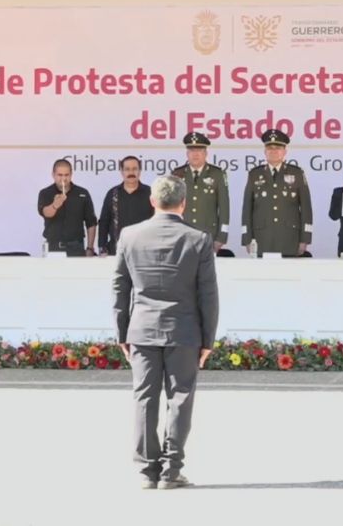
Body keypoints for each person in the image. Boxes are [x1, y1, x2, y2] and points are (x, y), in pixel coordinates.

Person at [113, 175, 218, 490]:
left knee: (145, 397)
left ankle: (148, 470)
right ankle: (171, 469)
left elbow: (120, 289)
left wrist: (122, 333)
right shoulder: (198, 239)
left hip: (142, 329)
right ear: (183, 203)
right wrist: (207, 340)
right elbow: (208, 296)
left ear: (152, 201)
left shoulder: (129, 236)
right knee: (180, 398)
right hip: (184, 331)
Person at [241, 129, 313, 256]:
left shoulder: (297, 173)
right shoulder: (254, 174)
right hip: (261, 239)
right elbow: (247, 209)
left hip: (289, 239)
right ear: (265, 151)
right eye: (270, 148)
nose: (273, 151)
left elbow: (306, 209)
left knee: (289, 275)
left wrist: (305, 239)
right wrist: (247, 238)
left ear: (285, 151)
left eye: (278, 148)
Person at [171, 132, 230, 252]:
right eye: (192, 150)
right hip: (182, 235)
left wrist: (222, 236)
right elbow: (171, 207)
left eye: (199, 150)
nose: (195, 154)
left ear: (206, 153)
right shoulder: (177, 174)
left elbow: (224, 208)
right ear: (187, 153)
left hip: (208, 235)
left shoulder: (217, 174)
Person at [37, 158, 97, 256]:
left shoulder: (82, 193)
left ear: (71, 174)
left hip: (76, 247)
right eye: (60, 175)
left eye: (66, 175)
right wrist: (55, 205)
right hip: (53, 247)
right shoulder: (45, 193)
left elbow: (91, 223)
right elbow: (45, 213)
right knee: (53, 272)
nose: (63, 179)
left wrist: (90, 248)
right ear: (53, 175)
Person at [98, 156, 155, 256]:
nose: (131, 173)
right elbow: (104, 223)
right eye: (127, 169)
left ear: (140, 171)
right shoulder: (112, 194)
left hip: (145, 253)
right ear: (121, 171)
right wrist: (102, 248)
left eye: (134, 169)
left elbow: (157, 222)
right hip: (116, 252)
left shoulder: (151, 193)